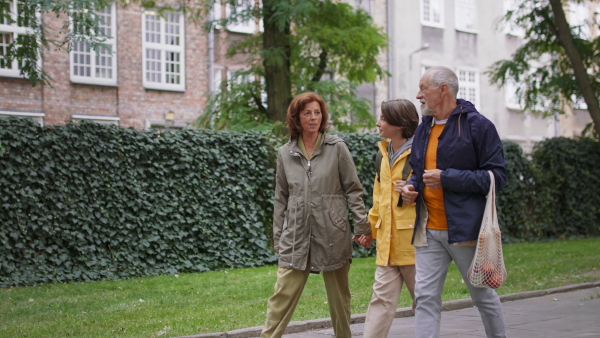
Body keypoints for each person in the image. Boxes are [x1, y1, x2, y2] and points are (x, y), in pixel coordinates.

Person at [401, 66, 507, 338]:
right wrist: (412, 187)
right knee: (424, 298)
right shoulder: (424, 127)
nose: (418, 95)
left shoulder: (478, 125)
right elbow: (419, 171)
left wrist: (448, 178)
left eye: (423, 89)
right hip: (428, 230)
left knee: (483, 296)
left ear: (443, 89)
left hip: (465, 231)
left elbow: (497, 177)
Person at [261, 92, 370, 338]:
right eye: (307, 113)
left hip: (333, 231)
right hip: (296, 233)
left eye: (317, 112)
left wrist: (362, 226)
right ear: (297, 118)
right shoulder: (285, 153)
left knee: (339, 299)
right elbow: (281, 198)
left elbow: (353, 190)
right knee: (282, 295)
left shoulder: (337, 147)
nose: (313, 118)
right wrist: (278, 237)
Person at [354, 99, 420, 338]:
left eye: (382, 118)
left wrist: (415, 191)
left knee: (423, 302)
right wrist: (368, 230)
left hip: (414, 244)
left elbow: (437, 193)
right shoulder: (383, 153)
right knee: (380, 300)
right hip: (387, 243)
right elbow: (379, 199)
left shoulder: (421, 153)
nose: (377, 122)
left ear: (400, 124)